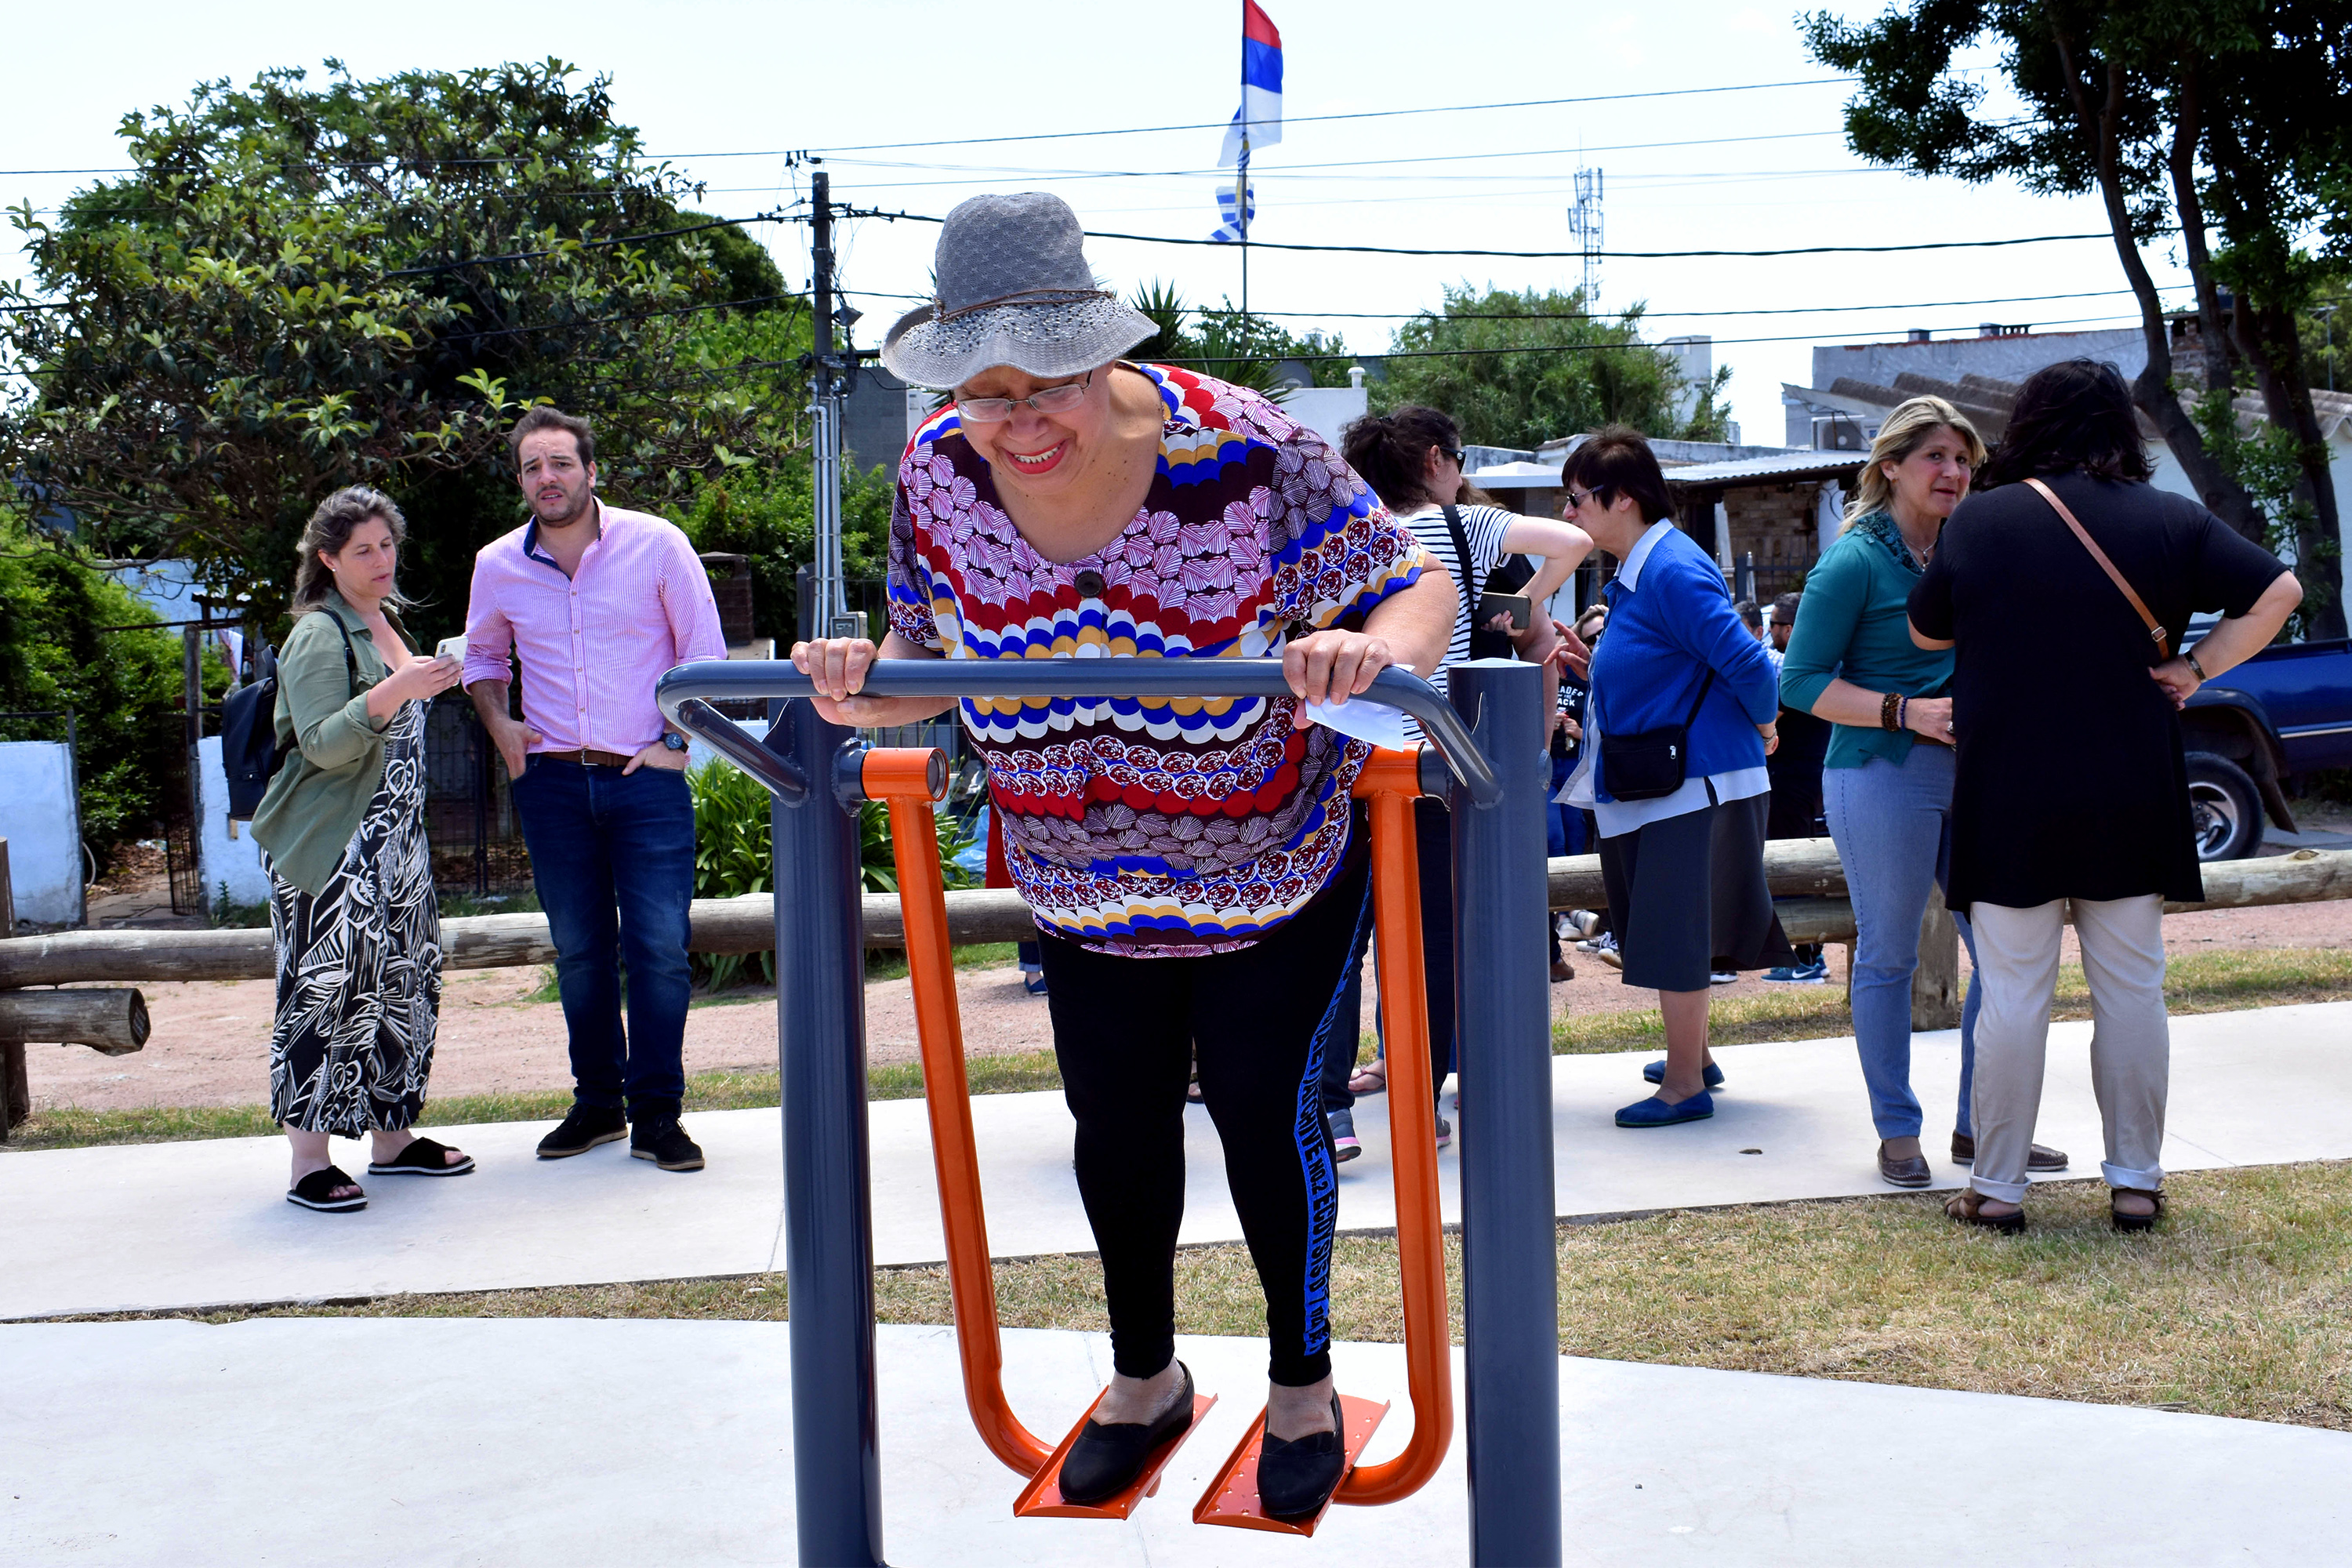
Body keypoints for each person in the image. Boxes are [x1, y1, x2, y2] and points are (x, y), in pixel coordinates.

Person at [795, 192, 1456, 1517]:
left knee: (1272, 1122)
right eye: (983, 394)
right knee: (1117, 1125)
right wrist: (855, 681)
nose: (1016, 421)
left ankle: (1305, 1384)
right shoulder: (936, 470)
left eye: (1042, 385)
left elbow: (1414, 580)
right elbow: (928, 665)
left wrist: (1375, 653)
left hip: (1269, 856)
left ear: (1101, 358)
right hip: (1081, 874)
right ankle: (1143, 1380)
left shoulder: (1243, 448)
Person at [1910, 360, 2301, 1232]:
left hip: (2011, 784)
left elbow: (1925, 625)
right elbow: (2281, 590)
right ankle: (2135, 1179)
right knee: (2132, 987)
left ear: (2032, 422)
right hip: (2129, 780)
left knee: (2013, 993)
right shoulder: (2169, 518)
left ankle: (2000, 1187)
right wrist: (2197, 667)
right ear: (2121, 425)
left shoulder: (1982, 520)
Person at [1777, 398, 2056, 1185]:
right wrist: (1905, 710)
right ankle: (1898, 1131)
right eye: (1936, 456)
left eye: (1964, 459)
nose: (1955, 472)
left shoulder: (1972, 548)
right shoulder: (1852, 561)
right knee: (1889, 956)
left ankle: (1983, 1125)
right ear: (1891, 466)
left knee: (2006, 956)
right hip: (1879, 770)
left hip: (1980, 773)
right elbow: (1797, 682)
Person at [461, 407, 729, 1174]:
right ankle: (598, 1105)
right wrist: (501, 727)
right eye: (532, 467)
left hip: (645, 783)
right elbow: (483, 659)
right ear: (520, 481)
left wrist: (678, 743)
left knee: (658, 949)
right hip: (549, 783)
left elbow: (704, 657)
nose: (548, 478)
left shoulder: (657, 545)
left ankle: (658, 1116)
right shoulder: (496, 564)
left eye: (561, 463)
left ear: (589, 469)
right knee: (579, 952)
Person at [1334, 407, 1592, 1123]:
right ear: (1435, 461)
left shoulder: (1358, 535)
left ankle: (1330, 1107)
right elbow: (1572, 540)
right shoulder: (1464, 527)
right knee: (1434, 938)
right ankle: (1423, 1096)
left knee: (1344, 939)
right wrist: (1515, 602)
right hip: (1444, 763)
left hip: (1359, 759)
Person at [1554, 427, 1792, 1127]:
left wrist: (1768, 725)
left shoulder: (1667, 567)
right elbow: (1671, 664)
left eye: (1577, 500)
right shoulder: (1645, 564)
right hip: (1671, 782)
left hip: (1692, 783)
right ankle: (1696, 1058)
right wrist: (1596, 668)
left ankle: (1685, 1085)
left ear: (1621, 498)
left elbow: (1748, 664)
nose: (1570, 516)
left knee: (1674, 930)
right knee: (1668, 926)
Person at [252, 487, 473, 1211]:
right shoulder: (320, 632)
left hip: (396, 845)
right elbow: (319, 743)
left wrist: (428, 680)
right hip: (333, 845)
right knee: (326, 991)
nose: (381, 560)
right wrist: (396, 691)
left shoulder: (386, 621)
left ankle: (393, 1140)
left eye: (387, 545)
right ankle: (308, 1162)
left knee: (406, 985)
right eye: (363, 551)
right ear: (328, 559)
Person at [1760, 590, 1832, 984]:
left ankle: (1803, 960)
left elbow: (1768, 717)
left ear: (1791, 628)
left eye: (1775, 626)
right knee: (1791, 862)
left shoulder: (1800, 669)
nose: (1769, 632)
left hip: (1793, 782)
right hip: (1804, 780)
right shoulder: (1818, 663)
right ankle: (1804, 956)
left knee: (1789, 866)